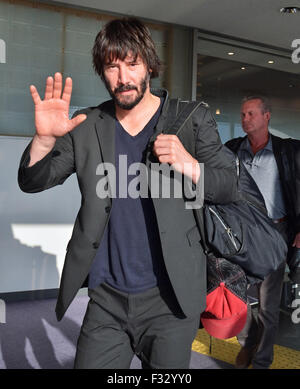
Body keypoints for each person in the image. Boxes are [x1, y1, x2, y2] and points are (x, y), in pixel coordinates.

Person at [18, 17, 237, 369]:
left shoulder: (190, 119)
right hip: (107, 300)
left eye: (132, 64)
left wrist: (189, 164)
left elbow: (230, 186)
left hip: (170, 302)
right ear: (102, 72)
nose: (122, 78)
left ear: (149, 64)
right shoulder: (86, 125)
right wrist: (44, 141)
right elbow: (33, 181)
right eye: (112, 67)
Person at [226, 95, 300, 369]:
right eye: (243, 115)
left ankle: (261, 361)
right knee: (240, 298)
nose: (245, 120)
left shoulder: (287, 151)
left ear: (267, 116)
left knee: (268, 305)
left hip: (276, 232)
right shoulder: (233, 149)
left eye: (251, 114)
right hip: (242, 234)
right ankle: (247, 342)